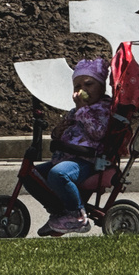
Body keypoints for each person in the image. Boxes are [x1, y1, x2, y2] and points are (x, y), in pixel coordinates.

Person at [29, 58, 114, 236]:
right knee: (31, 175)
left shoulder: (103, 109)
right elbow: (61, 131)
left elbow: (97, 133)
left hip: (88, 160)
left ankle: (77, 216)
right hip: (67, 156)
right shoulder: (77, 110)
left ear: (102, 87)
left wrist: (82, 109)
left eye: (89, 84)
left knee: (59, 174)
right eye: (77, 86)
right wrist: (59, 130)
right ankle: (59, 212)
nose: (82, 90)